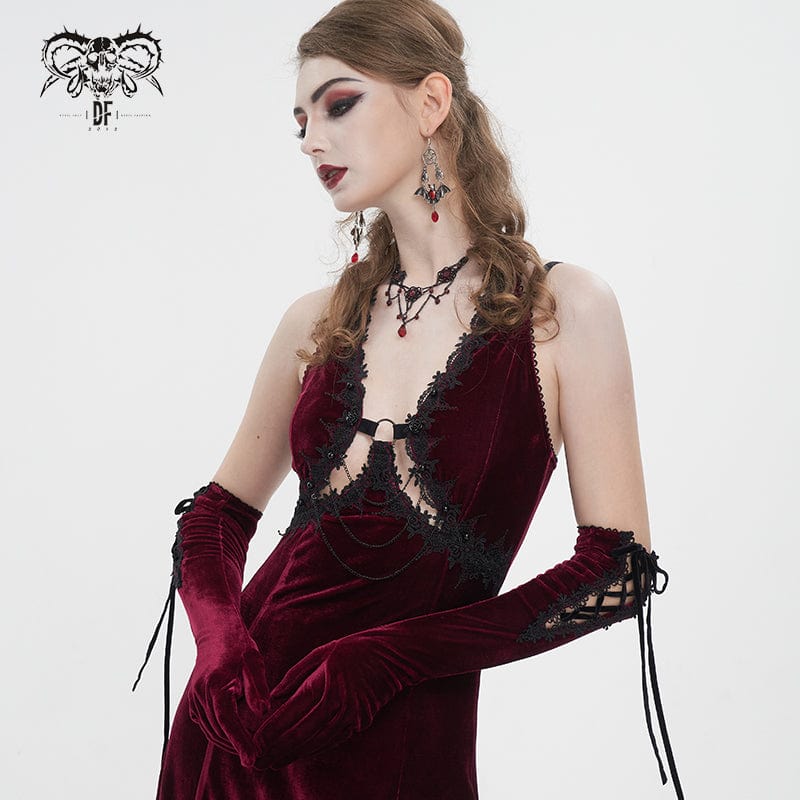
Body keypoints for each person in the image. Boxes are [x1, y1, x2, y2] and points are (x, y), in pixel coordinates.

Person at [133, 1, 683, 797]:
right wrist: (221, 651)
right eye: (300, 122)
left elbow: (616, 571)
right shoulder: (317, 320)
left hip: (402, 747)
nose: (311, 140)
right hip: (237, 734)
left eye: (338, 104)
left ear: (431, 102)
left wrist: (387, 659)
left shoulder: (562, 310)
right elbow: (217, 516)